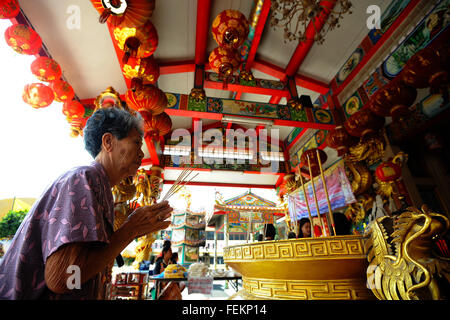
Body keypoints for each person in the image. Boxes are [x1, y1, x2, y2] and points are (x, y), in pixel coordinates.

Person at [0, 107, 173, 300]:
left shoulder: (100, 185)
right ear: (108, 142)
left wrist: (132, 230)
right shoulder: (85, 178)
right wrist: (131, 229)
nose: (142, 154)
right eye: (136, 143)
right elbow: (64, 279)